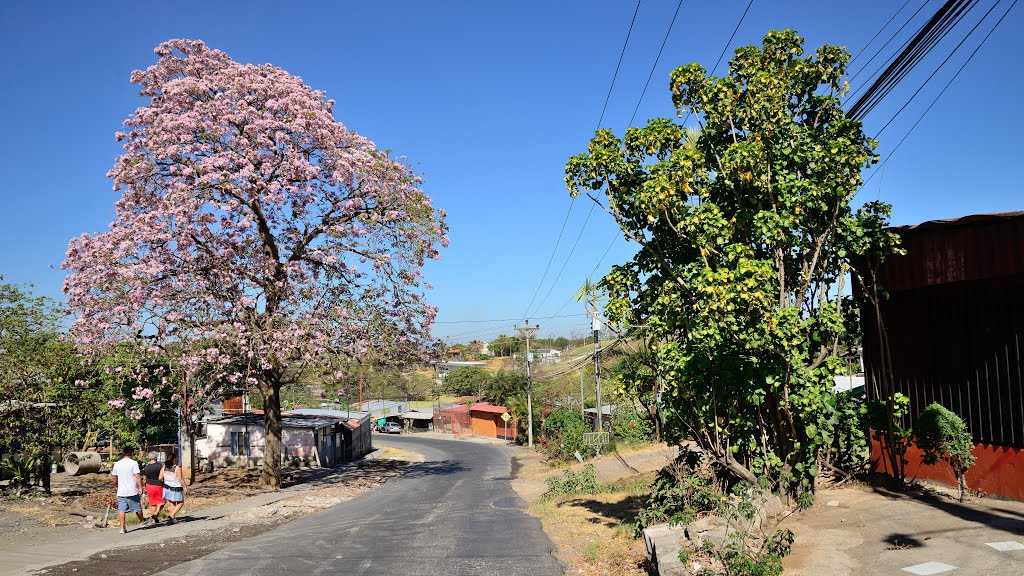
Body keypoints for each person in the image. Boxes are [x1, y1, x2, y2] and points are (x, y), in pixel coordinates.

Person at [110, 446, 144, 534]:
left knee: (121, 510)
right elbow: (137, 475)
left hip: (121, 491)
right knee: (137, 507)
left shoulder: (117, 464)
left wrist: (116, 485)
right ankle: (142, 522)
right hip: (132, 490)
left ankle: (122, 528)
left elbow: (114, 477)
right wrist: (140, 487)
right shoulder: (133, 463)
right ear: (130, 453)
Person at [159, 453, 187, 523]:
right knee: (181, 502)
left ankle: (173, 519)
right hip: (176, 487)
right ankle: (172, 515)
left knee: (172, 503)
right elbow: (180, 478)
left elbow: (160, 478)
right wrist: (185, 487)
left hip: (167, 487)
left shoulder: (164, 467)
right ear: (174, 459)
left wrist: (166, 481)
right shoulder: (176, 468)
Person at [142, 452, 165, 526]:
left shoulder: (146, 467)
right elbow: (162, 476)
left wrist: (145, 486)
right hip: (158, 485)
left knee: (153, 503)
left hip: (149, 486)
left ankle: (153, 520)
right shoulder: (160, 466)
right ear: (156, 457)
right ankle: (155, 514)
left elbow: (144, 478)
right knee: (162, 501)